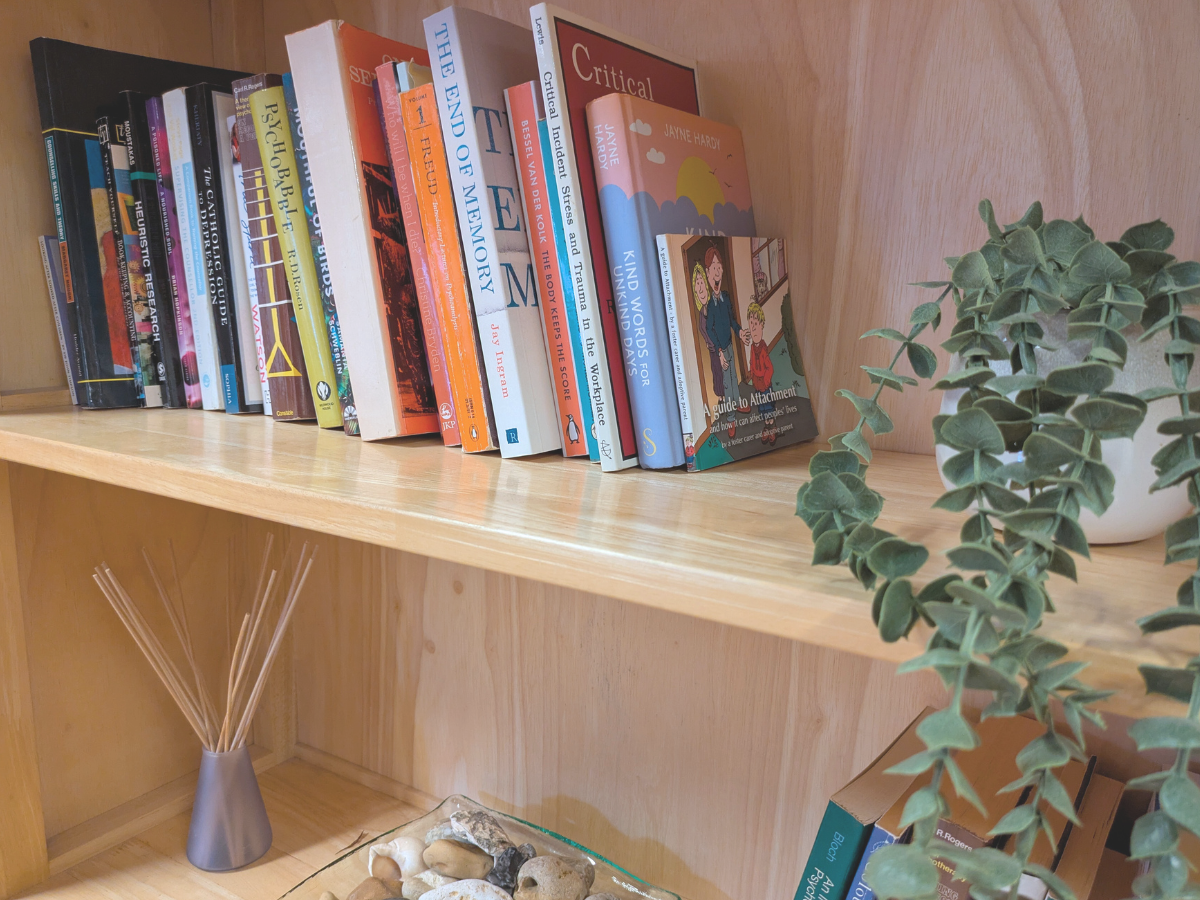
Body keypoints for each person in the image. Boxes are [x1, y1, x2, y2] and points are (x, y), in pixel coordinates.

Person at [703, 246, 743, 438]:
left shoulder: (726, 297)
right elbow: (710, 330)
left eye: (719, 267)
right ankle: (730, 419)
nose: (717, 272)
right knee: (726, 383)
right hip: (721, 348)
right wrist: (719, 352)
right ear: (708, 274)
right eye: (713, 268)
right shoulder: (710, 306)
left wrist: (740, 331)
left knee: (734, 377)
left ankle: (737, 404)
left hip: (730, 344)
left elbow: (732, 319)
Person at [743, 302, 776, 444]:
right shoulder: (752, 348)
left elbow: (770, 368)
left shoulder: (763, 348)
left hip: (765, 386)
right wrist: (751, 374)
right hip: (757, 386)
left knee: (769, 408)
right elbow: (752, 363)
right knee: (762, 409)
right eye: (751, 323)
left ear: (762, 325)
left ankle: (772, 426)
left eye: (756, 323)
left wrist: (767, 382)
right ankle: (766, 427)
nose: (754, 327)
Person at [690, 261, 724, 401]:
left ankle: (728, 397)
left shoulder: (713, 306)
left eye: (701, 282)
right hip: (711, 349)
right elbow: (702, 329)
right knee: (716, 372)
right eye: (697, 284)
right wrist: (707, 342)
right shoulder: (700, 313)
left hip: (720, 347)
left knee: (723, 372)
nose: (700, 287)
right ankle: (721, 398)